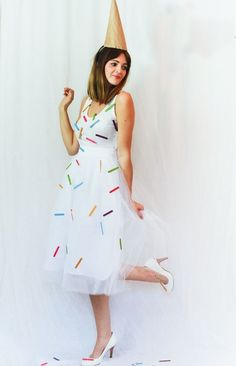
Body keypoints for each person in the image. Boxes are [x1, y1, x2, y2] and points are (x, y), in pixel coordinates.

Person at [43, 1, 174, 365]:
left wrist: (128, 198)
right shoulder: (88, 102)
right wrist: (63, 110)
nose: (119, 70)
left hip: (105, 184)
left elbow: (125, 154)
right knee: (85, 264)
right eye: (114, 63)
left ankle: (153, 273)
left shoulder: (124, 101)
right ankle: (105, 337)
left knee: (100, 261)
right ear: (101, 63)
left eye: (124, 66)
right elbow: (72, 147)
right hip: (78, 184)